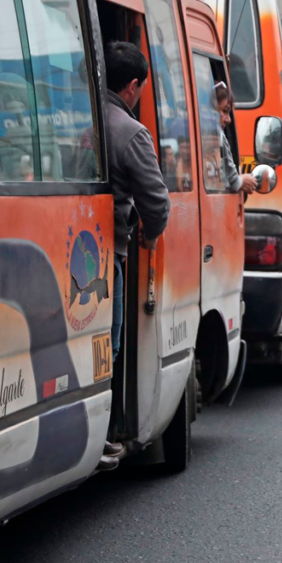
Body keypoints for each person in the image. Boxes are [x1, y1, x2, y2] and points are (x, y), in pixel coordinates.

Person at [104, 41, 171, 470]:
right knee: (107, 344)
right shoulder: (131, 132)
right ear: (132, 87)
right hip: (106, 253)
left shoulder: (79, 118)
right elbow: (157, 203)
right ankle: (107, 436)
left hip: (63, 246)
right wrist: (148, 238)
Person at [215, 82, 257, 194]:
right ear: (212, 109)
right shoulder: (217, 135)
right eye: (225, 111)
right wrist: (244, 180)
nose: (228, 119)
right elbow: (233, 180)